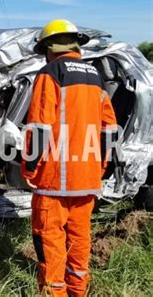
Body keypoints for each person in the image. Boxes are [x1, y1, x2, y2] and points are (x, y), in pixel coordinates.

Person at [21, 19, 118, 296]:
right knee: (80, 239)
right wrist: (100, 166)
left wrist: (29, 168)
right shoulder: (96, 77)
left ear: (47, 48)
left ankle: (54, 292)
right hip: (86, 179)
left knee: (49, 240)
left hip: (53, 180)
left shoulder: (50, 73)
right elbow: (109, 129)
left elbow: (39, 127)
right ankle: (79, 290)